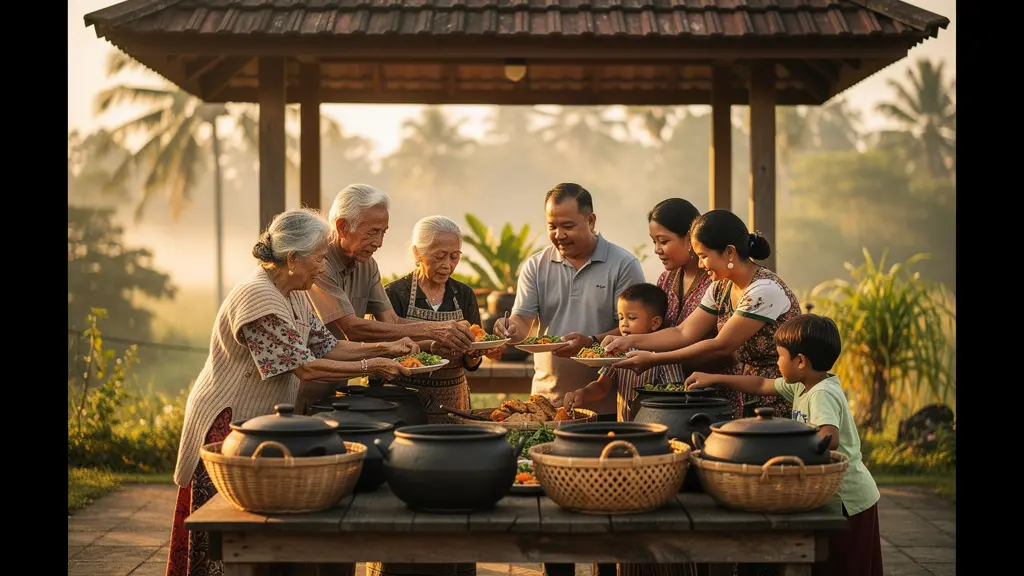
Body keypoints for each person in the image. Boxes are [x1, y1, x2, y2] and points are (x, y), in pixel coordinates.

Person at [167, 208, 418, 576]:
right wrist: (373, 366)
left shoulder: (295, 292)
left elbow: (326, 346)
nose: (322, 266)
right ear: (292, 258)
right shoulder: (259, 298)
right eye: (318, 258)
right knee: (224, 528)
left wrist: (385, 348)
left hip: (259, 419)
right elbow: (305, 365)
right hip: (228, 418)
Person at [493, 183, 643, 576]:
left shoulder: (623, 265)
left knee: (606, 501)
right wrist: (509, 330)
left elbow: (633, 331)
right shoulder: (536, 265)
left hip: (607, 405)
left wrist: (591, 340)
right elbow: (524, 326)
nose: (559, 235)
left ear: (592, 220)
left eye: (568, 225)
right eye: (552, 225)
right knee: (550, 505)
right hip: (549, 404)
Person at [685, 314, 883, 576]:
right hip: (835, 495)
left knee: (844, 566)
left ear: (800, 361)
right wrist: (714, 378)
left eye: (779, 356)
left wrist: (788, 443)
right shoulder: (804, 385)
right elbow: (760, 383)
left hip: (849, 499)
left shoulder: (821, 394)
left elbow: (829, 438)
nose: (777, 363)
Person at [604, 209, 802, 419]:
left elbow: (721, 345)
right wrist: (628, 341)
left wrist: (654, 360)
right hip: (750, 392)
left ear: (729, 252)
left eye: (703, 256)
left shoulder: (764, 290)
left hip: (782, 394)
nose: (699, 264)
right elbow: (683, 333)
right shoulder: (721, 287)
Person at [302, 184, 476, 404]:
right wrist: (432, 330)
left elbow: (392, 321)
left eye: (383, 232)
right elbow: (352, 328)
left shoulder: (368, 265)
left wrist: (434, 341)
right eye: (373, 232)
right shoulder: (319, 263)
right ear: (342, 226)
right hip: (303, 379)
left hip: (339, 382)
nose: (379, 243)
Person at [384, 215, 506, 423]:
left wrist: (479, 351)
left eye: (454, 256)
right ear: (417, 253)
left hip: (453, 403)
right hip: (404, 402)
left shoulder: (464, 294)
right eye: (439, 256)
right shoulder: (394, 294)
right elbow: (381, 347)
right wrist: (429, 346)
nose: (447, 265)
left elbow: (471, 361)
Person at [648, 198, 742, 416]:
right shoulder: (665, 280)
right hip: (673, 393)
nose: (657, 250)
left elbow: (723, 346)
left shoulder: (717, 280)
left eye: (663, 241)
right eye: (653, 242)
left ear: (690, 239)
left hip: (715, 394)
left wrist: (654, 356)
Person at [562, 283, 685, 422]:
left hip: (656, 427)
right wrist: (581, 393)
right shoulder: (616, 351)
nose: (624, 324)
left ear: (655, 323)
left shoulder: (664, 354)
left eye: (632, 318)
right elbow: (602, 386)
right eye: (621, 317)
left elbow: (676, 392)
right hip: (625, 427)